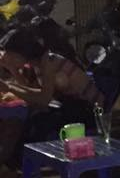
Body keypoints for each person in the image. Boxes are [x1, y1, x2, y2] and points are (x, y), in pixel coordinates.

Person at [0, 28, 104, 168]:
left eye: (11, 55)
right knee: (28, 118)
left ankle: (20, 164)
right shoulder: (37, 63)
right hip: (72, 107)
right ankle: (16, 164)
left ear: (23, 52)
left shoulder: (49, 61)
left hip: (91, 113)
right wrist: (13, 71)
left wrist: (10, 87)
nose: (7, 57)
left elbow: (43, 99)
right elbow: (34, 93)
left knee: (36, 122)